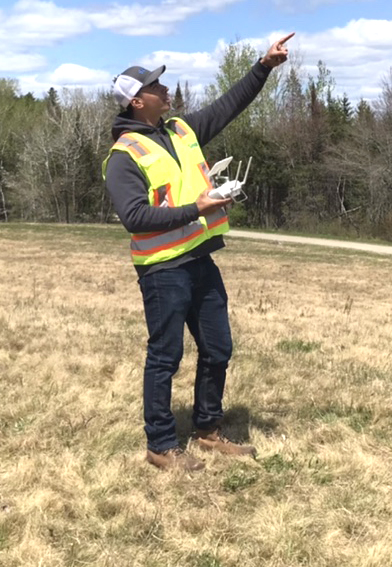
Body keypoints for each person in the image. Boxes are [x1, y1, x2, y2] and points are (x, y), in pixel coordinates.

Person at [102, 33, 293, 472]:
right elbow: (134, 217)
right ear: (137, 103)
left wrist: (263, 66)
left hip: (200, 259)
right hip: (163, 270)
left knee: (218, 347)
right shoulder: (123, 156)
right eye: (155, 87)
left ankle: (207, 430)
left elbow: (229, 104)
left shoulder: (182, 130)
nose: (165, 90)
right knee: (165, 357)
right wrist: (198, 208)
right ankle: (161, 445)